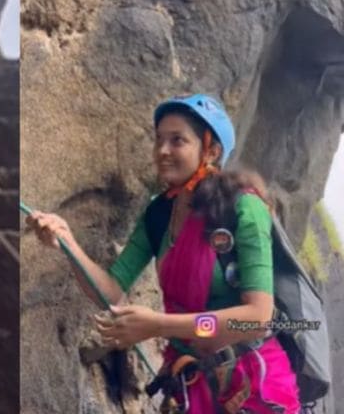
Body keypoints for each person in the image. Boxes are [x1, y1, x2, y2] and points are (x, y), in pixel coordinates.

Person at [26, 94, 300, 413]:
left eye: (177, 140)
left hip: (251, 386)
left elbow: (255, 319)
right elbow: (111, 291)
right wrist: (68, 244)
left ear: (211, 151)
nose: (162, 151)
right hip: (193, 384)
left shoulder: (243, 209)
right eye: (159, 140)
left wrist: (161, 325)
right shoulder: (159, 214)